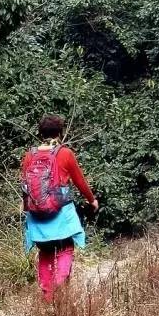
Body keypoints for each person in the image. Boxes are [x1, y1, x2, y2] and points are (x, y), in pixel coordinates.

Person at [20, 115, 98, 303]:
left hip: (36, 216)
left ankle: (47, 297)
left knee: (45, 253)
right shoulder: (64, 153)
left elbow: (24, 186)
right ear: (60, 132)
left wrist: (27, 208)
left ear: (40, 133)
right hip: (60, 215)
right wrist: (92, 200)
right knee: (65, 248)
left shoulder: (29, 155)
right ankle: (61, 289)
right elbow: (80, 182)